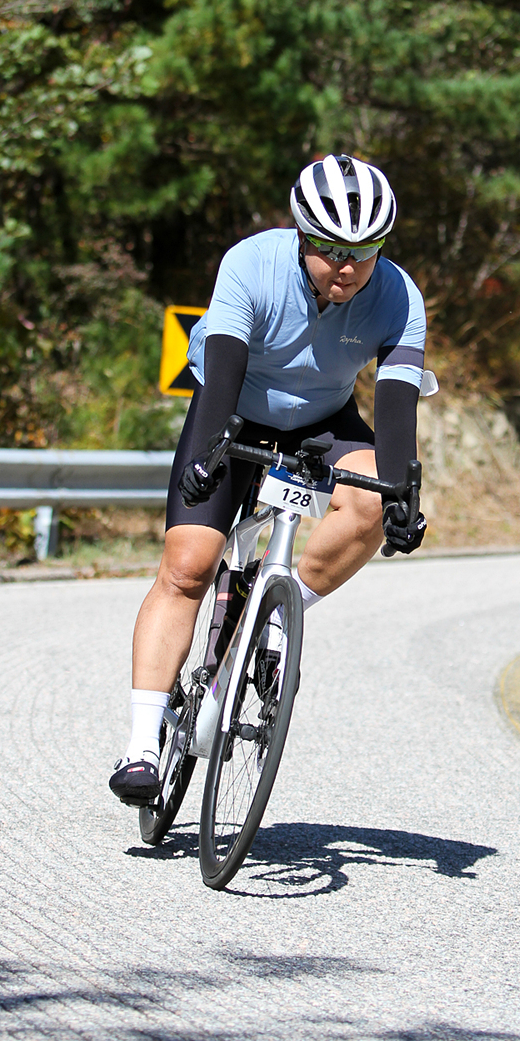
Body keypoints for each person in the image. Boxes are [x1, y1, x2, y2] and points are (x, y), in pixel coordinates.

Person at [110, 154, 429, 804]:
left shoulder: (399, 295)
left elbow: (397, 407)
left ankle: (280, 609)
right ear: (301, 235)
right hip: (233, 411)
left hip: (322, 420)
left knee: (373, 500)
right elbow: (221, 371)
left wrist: (403, 496)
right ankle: (141, 746)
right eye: (330, 250)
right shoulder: (252, 263)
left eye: (363, 252)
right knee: (188, 567)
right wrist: (207, 457)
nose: (347, 266)